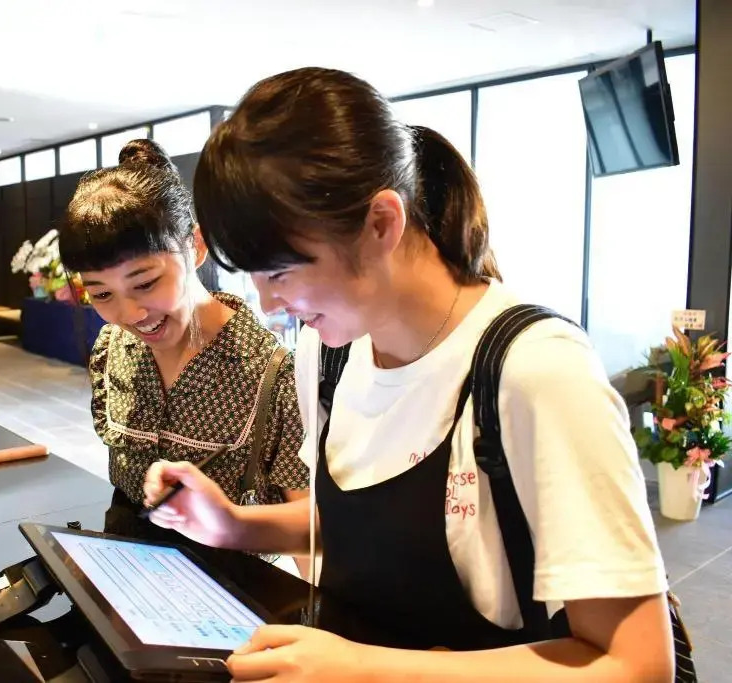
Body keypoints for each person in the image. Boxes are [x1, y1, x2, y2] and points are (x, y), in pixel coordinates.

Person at [144, 68, 673, 681]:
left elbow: (636, 663)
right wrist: (234, 524)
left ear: (381, 224)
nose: (267, 304)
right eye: (253, 277)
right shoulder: (329, 354)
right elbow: (367, 529)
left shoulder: (535, 370)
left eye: (281, 272)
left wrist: (365, 670)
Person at [57, 138, 310, 564]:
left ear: (195, 246)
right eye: (101, 294)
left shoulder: (271, 373)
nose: (129, 314)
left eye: (145, 283)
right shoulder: (113, 348)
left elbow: (309, 530)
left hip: (230, 585)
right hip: (127, 570)